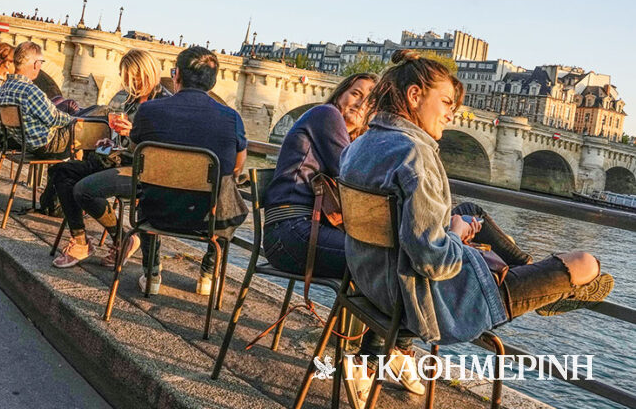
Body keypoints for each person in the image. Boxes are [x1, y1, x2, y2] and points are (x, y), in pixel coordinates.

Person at [338, 50, 614, 407]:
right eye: (447, 102)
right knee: (586, 264)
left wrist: (455, 230)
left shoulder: (359, 144)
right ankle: (550, 289)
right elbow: (434, 262)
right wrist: (454, 232)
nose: (453, 113)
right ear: (415, 95)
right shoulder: (414, 154)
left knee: (471, 215)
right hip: (419, 301)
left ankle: (531, 276)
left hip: (371, 282)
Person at [128, 46, 248, 295]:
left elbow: (135, 151)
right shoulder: (231, 118)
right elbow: (237, 166)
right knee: (227, 191)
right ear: (212, 82)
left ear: (177, 76)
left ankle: (151, 274)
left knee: (149, 187)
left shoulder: (149, 110)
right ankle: (207, 274)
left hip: (155, 212)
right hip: (208, 220)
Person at [50, 49, 171, 269]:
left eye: (133, 78)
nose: (128, 83)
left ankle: (119, 239)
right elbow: (125, 141)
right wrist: (112, 142)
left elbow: (160, 149)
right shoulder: (133, 99)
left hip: (140, 169)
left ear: (147, 73)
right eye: (126, 78)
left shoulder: (164, 105)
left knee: (82, 188)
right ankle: (83, 240)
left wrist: (132, 133)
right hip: (117, 159)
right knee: (61, 172)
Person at [263, 73, 377, 280]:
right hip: (291, 232)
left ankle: (343, 312)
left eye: (370, 102)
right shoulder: (326, 114)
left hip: (295, 231)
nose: (361, 104)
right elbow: (352, 176)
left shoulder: (349, 138)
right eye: (355, 93)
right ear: (339, 94)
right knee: (381, 260)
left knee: (380, 257)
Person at [0, 41, 77, 158]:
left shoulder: (0, 90)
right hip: (45, 147)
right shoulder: (30, 91)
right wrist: (75, 120)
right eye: (41, 62)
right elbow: (53, 119)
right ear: (35, 64)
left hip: (24, 143)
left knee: (68, 106)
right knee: (100, 114)